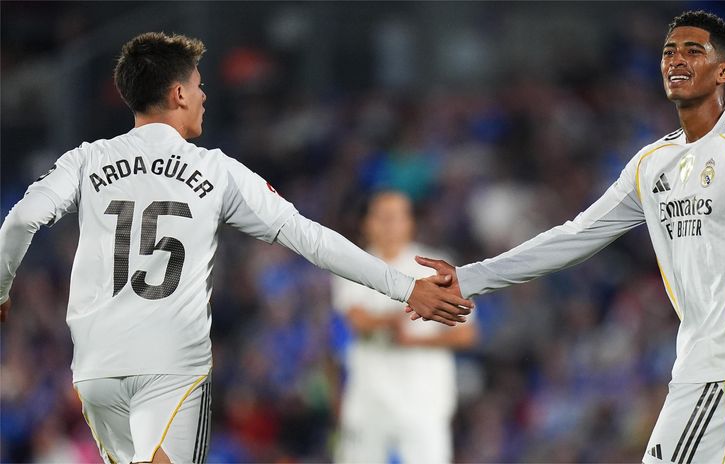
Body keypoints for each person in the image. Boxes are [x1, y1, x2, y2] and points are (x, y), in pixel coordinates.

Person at [0, 32, 472, 464]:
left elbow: (21, 218)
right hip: (170, 365)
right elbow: (307, 236)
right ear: (178, 93)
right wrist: (404, 287)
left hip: (96, 367)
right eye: (199, 84)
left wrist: (2, 290)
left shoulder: (86, 159)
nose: (205, 95)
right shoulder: (214, 171)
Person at [409, 10, 725, 463]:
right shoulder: (652, 163)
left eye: (693, 51)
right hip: (719, 369)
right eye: (669, 52)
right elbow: (574, 236)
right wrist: (470, 278)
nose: (677, 61)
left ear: (724, 71)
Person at [332, 191, 477, 464]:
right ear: (367, 223)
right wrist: (411, 311)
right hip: (369, 399)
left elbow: (466, 333)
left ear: (409, 222)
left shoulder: (434, 266)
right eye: (380, 217)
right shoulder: (352, 263)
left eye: (395, 217)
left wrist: (414, 340)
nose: (387, 224)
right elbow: (357, 321)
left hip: (423, 398)